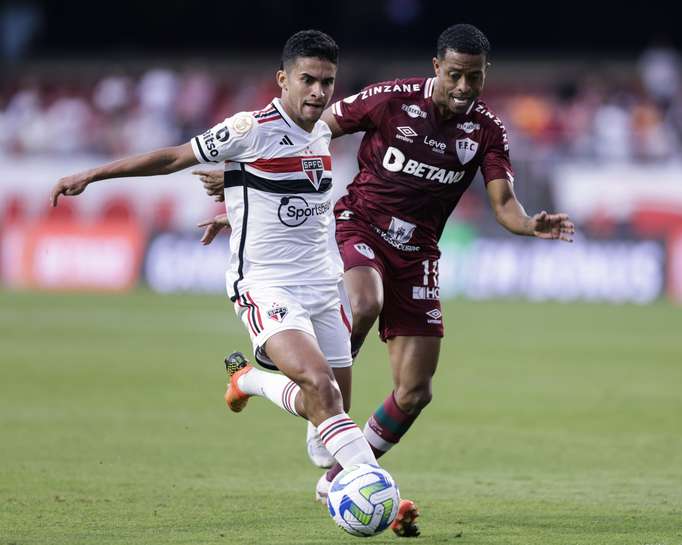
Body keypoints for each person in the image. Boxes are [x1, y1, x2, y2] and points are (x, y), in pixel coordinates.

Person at [198, 24, 574, 536]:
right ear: (437, 67)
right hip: (361, 226)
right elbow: (317, 125)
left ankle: (337, 475)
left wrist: (530, 225)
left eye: (476, 79)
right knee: (365, 302)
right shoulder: (392, 99)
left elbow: (504, 204)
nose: (465, 88)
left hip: (419, 255)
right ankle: (328, 403)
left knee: (416, 391)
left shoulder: (487, 130)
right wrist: (256, 185)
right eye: (457, 75)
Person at [49, 29, 387, 501]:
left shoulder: (324, 130)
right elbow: (172, 158)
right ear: (282, 80)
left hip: (324, 283)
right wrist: (93, 173)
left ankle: (250, 380)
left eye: (327, 82)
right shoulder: (249, 128)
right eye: (307, 80)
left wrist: (233, 208)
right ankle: (384, 499)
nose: (317, 91)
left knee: (325, 433)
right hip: (267, 286)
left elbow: (285, 195)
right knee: (319, 387)